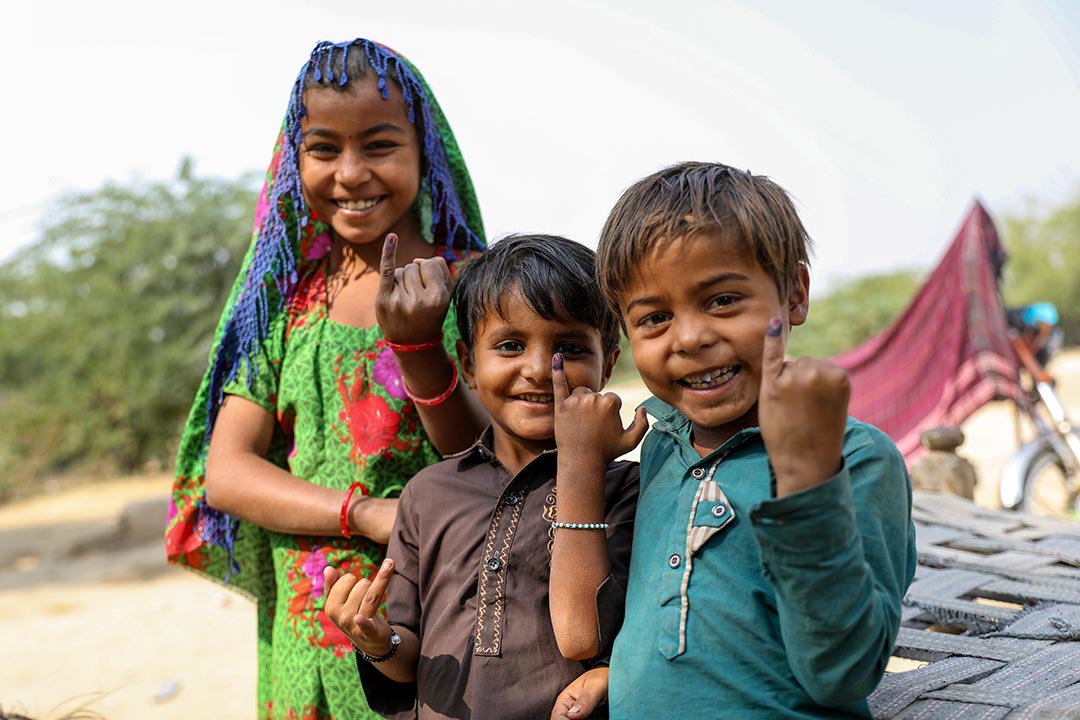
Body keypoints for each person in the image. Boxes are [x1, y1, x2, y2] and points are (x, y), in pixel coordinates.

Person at [165, 38, 488, 720]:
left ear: (425, 151)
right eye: (323, 149)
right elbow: (226, 472)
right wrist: (364, 514)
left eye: (378, 145)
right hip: (304, 637)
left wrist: (420, 344)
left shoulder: (473, 289)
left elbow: (491, 456)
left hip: (437, 616)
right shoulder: (286, 308)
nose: (351, 173)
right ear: (293, 161)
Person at [549, 161, 917, 719]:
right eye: (654, 318)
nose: (691, 337)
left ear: (794, 293)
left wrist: (807, 483)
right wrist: (621, 669)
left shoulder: (856, 458)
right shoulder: (660, 446)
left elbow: (842, 673)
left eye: (722, 300)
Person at [321, 234, 640, 720]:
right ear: (468, 363)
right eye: (510, 345)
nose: (537, 369)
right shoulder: (428, 494)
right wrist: (374, 637)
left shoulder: (627, 490)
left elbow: (614, 637)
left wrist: (582, 467)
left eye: (570, 347)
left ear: (608, 364)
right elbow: (407, 653)